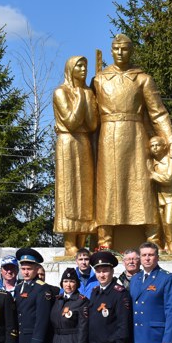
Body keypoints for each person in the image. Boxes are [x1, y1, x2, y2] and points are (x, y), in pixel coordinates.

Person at [91, 33, 172, 249]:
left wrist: (169, 137)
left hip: (136, 138)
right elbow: (89, 115)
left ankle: (153, 240)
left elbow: (158, 113)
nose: (120, 53)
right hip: (107, 138)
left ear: (131, 51)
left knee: (142, 186)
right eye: (116, 48)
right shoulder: (99, 79)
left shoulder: (142, 79)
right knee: (108, 189)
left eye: (125, 49)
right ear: (111, 51)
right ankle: (105, 243)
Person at [53, 55, 98, 256]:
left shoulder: (87, 92)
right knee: (69, 191)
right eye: (79, 65)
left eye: (85, 66)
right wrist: (81, 98)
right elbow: (71, 121)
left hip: (84, 143)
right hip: (67, 143)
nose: (83, 69)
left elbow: (92, 124)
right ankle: (70, 241)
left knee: (85, 193)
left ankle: (83, 239)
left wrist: (87, 97)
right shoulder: (61, 92)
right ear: (70, 68)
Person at [147, 135, 172, 253]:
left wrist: (152, 175)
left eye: (157, 145)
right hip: (157, 199)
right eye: (152, 146)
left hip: (169, 198)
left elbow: (168, 179)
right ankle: (164, 246)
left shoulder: (170, 159)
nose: (154, 148)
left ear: (164, 146)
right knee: (160, 225)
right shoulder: (152, 162)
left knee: (169, 223)